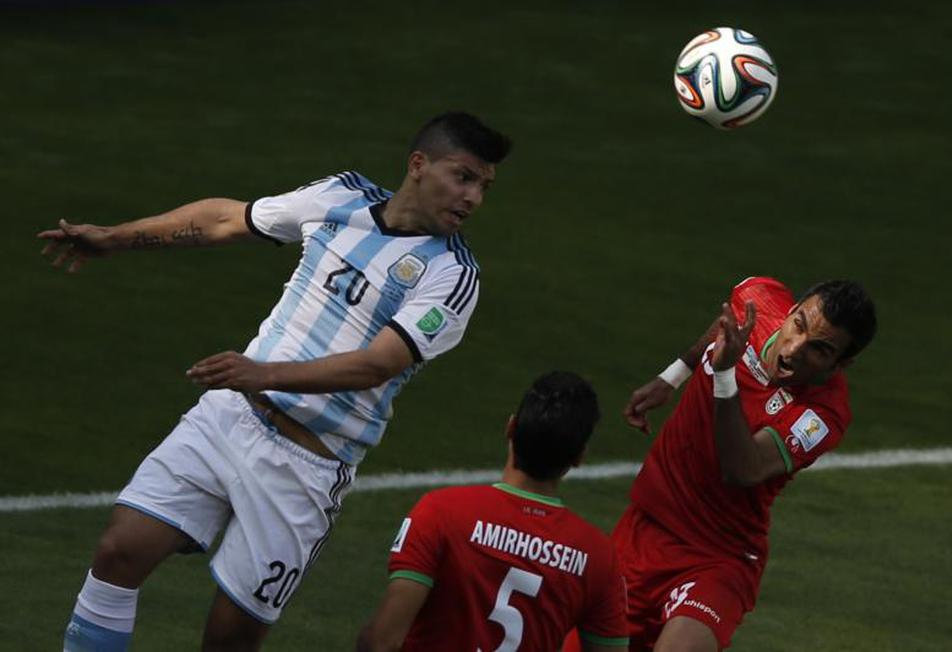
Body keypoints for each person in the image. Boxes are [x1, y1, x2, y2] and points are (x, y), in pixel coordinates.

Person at [41, 111, 512, 652]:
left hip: (306, 466)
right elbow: (226, 219)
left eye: (483, 186)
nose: (473, 197)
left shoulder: (451, 276)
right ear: (418, 165)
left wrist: (260, 373)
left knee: (230, 638)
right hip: (229, 417)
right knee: (118, 552)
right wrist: (117, 239)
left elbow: (377, 364)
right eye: (463, 176)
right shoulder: (340, 197)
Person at [602, 277, 876, 651]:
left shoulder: (822, 415)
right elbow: (725, 326)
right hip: (645, 527)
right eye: (798, 325)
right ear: (792, 310)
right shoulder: (758, 299)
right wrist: (674, 375)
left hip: (718, 558)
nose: (795, 349)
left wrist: (725, 375)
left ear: (842, 364)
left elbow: (742, 469)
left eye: (820, 350)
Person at [357, 371, 629, 652]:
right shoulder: (599, 557)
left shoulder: (441, 512)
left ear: (510, 427)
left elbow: (381, 642)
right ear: (579, 457)